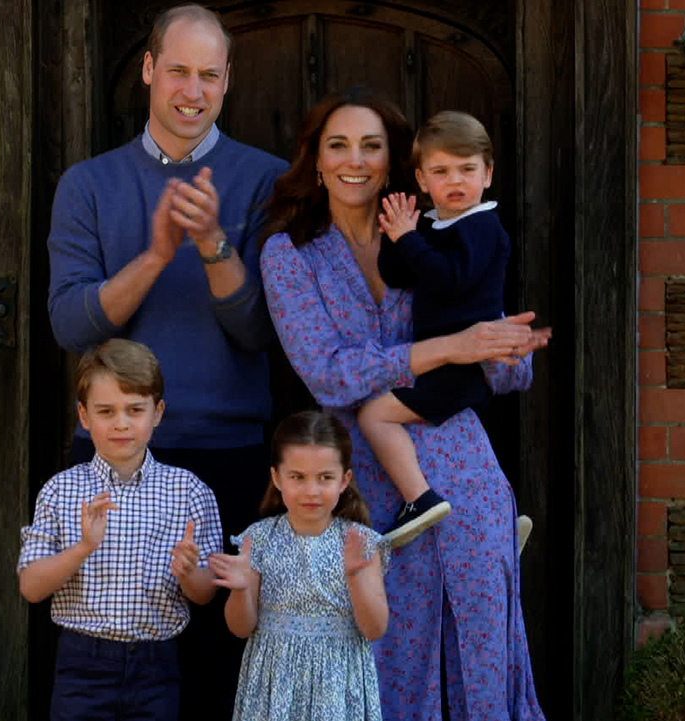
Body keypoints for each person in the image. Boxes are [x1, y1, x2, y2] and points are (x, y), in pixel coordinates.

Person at [259, 87, 549, 721]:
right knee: (385, 656)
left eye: (371, 146)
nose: (354, 159)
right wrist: (452, 347)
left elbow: (503, 364)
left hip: (463, 463)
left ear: (392, 163)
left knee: (481, 644)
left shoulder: (439, 234)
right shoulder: (289, 256)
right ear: (317, 160)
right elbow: (330, 375)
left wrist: (507, 349)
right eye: (338, 145)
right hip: (362, 479)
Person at [44, 4, 287, 715]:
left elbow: (260, 331)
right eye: (178, 69)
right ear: (149, 70)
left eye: (209, 74)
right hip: (113, 457)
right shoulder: (88, 185)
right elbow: (69, 322)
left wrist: (212, 243)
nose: (193, 88)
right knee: (116, 662)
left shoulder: (264, 181)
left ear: (228, 81)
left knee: (220, 665)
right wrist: (154, 255)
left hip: (229, 454)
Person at [16, 338, 223, 721]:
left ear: (157, 412)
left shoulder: (189, 491)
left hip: (156, 665)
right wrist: (82, 548)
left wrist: (189, 572)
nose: (122, 423)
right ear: (84, 416)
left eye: (135, 409)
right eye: (106, 411)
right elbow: (30, 587)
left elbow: (205, 595)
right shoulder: (61, 490)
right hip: (82, 663)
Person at [360, 110, 519, 547]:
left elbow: (450, 280)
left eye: (467, 169)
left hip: (462, 367)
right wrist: (397, 233)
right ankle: (491, 523)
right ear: (422, 179)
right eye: (441, 171)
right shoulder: (435, 224)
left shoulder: (484, 227)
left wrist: (410, 239)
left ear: (487, 174)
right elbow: (398, 274)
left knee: (374, 415)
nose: (456, 181)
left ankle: (420, 499)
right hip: (440, 360)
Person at [208, 411, 390, 721]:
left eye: (325, 477)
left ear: (344, 480)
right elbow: (240, 628)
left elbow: (374, 629)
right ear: (277, 477)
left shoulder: (361, 543)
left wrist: (356, 576)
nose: (312, 491)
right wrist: (240, 591)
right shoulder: (259, 539)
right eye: (298, 477)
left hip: (338, 685)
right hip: (273, 683)